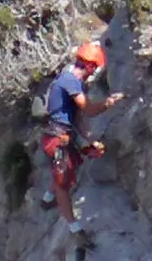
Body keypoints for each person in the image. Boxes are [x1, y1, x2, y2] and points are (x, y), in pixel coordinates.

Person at [40, 41, 120, 231]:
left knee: (68, 170)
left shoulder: (72, 82)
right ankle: (73, 227)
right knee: (62, 182)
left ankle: (48, 198)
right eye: (94, 68)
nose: (94, 73)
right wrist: (107, 104)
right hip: (57, 136)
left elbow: (77, 119)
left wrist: (88, 143)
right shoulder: (70, 81)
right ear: (89, 65)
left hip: (63, 134)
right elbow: (89, 110)